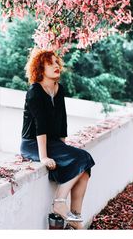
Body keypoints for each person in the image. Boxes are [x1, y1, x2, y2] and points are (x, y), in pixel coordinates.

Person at [20, 48, 95, 229]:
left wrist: (64, 151)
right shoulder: (35, 92)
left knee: (84, 170)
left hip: (53, 143)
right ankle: (59, 201)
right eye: (50, 63)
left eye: (56, 62)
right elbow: (40, 126)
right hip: (32, 144)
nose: (56, 66)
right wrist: (44, 157)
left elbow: (62, 121)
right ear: (40, 68)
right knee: (85, 158)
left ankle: (75, 219)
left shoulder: (58, 89)